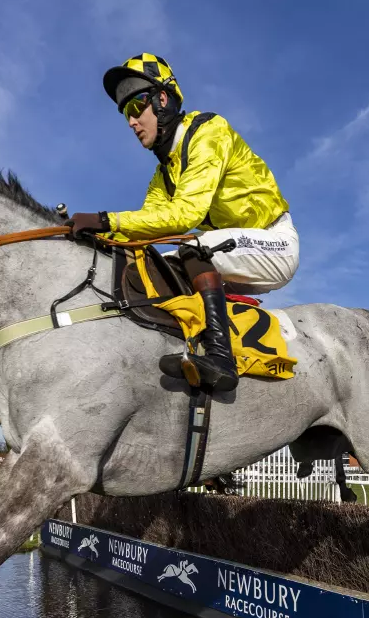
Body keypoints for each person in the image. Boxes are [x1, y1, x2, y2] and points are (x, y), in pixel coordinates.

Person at [66, 54, 297, 392]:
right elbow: (146, 228)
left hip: (274, 243)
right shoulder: (163, 175)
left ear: (162, 99)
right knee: (158, 266)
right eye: (125, 114)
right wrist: (95, 235)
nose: (131, 122)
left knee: (193, 247)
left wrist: (103, 219)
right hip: (233, 251)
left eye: (136, 107)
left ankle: (221, 360)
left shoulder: (209, 130)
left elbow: (185, 215)